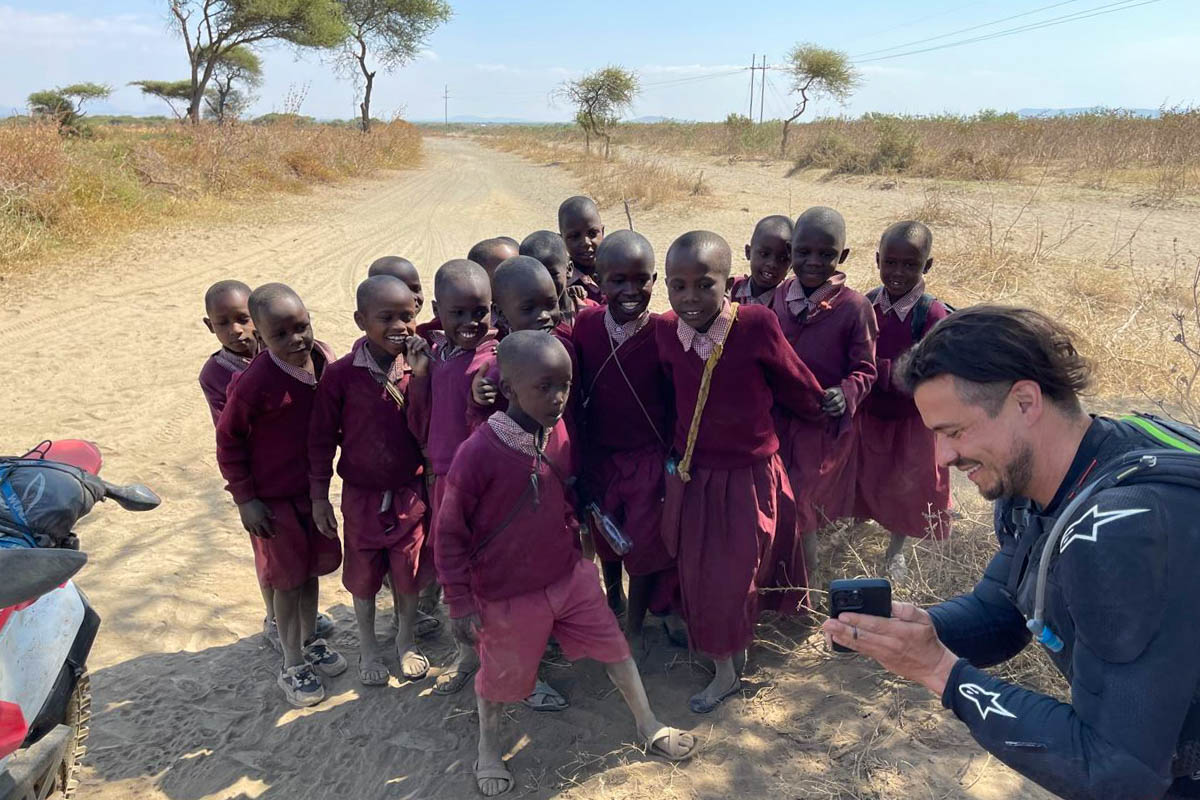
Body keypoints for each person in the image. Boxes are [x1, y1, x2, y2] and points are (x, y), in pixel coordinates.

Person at [823, 305, 1200, 800]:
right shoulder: (1050, 476)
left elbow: (1116, 773)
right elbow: (1005, 608)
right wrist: (921, 634)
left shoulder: (1118, 531)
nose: (944, 457)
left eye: (954, 432)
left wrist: (940, 671)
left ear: (1025, 401)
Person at [435, 331, 696, 796]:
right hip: (506, 592)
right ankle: (488, 749)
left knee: (614, 647)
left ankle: (648, 723)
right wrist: (459, 601)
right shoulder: (476, 454)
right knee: (501, 678)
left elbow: (564, 489)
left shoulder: (557, 432)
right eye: (544, 387)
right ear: (510, 390)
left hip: (568, 575)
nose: (558, 398)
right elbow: (449, 533)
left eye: (565, 386)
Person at [656, 231, 825, 713]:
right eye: (677, 285)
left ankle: (730, 668)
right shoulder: (667, 332)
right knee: (704, 572)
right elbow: (667, 394)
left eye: (703, 285)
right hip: (697, 476)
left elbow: (797, 384)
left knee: (736, 574)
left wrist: (824, 410)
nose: (690, 298)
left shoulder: (755, 325)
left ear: (728, 283)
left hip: (750, 475)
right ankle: (724, 658)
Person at [215, 283, 346, 707]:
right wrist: (244, 498)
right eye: (281, 334)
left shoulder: (322, 360)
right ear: (261, 337)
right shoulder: (254, 383)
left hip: (310, 493)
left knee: (309, 574)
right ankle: (292, 663)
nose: (296, 339)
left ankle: (309, 641)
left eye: (302, 326)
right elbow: (229, 441)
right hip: (272, 501)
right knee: (287, 583)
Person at [308, 276, 434, 686]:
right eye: (386, 318)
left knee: (408, 570)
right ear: (361, 320)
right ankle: (367, 644)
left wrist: (422, 379)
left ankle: (405, 639)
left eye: (407, 316)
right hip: (361, 496)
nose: (400, 326)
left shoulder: (418, 369)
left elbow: (428, 430)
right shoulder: (341, 376)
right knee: (362, 574)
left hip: (409, 494)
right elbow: (321, 439)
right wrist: (319, 496)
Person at [573, 231, 677, 650]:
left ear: (655, 279)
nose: (630, 291)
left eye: (641, 280)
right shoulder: (584, 325)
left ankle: (634, 628)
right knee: (605, 535)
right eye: (618, 280)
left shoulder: (665, 331)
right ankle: (612, 602)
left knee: (643, 543)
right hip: (600, 456)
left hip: (647, 459)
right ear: (599, 280)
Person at [407, 259, 497, 695]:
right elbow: (421, 420)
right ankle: (468, 657)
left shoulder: (493, 359)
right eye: (457, 313)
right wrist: (421, 377)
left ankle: (507, 662)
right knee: (455, 570)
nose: (470, 322)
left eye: (479, 311)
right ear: (438, 310)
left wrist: (486, 395)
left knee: (490, 571)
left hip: (482, 487)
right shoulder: (436, 354)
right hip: (442, 481)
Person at [772, 206, 878, 575]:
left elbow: (866, 368)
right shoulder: (780, 297)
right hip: (778, 420)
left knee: (802, 502)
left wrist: (845, 392)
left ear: (842, 256)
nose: (813, 262)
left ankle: (806, 588)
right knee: (778, 495)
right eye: (803, 253)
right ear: (791, 252)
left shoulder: (854, 307)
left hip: (819, 426)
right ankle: (777, 576)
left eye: (826, 254)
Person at [853, 221, 953, 582]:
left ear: (926, 266)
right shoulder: (865, 303)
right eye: (890, 262)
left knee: (909, 485)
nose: (897, 272)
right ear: (878, 260)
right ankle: (858, 526)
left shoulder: (932, 315)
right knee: (864, 474)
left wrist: (875, 370)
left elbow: (922, 372)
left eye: (909, 265)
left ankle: (896, 550)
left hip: (912, 421)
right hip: (869, 414)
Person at [199, 280, 258, 426]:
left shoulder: (282, 351)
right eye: (223, 323)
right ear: (210, 325)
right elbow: (227, 432)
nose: (235, 330)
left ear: (257, 315)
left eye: (243, 319)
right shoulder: (213, 375)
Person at [520, 229, 595, 326]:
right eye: (533, 276)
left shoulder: (591, 312)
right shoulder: (526, 324)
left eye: (552, 274)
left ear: (569, 270)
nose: (544, 284)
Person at [731, 215, 792, 308]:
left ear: (791, 265)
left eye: (783, 259)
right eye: (764, 254)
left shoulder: (788, 303)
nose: (772, 264)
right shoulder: (731, 290)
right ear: (748, 252)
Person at [558, 196, 605, 304]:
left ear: (602, 232)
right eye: (574, 236)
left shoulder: (616, 270)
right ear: (561, 240)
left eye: (592, 233)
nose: (586, 242)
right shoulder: (563, 284)